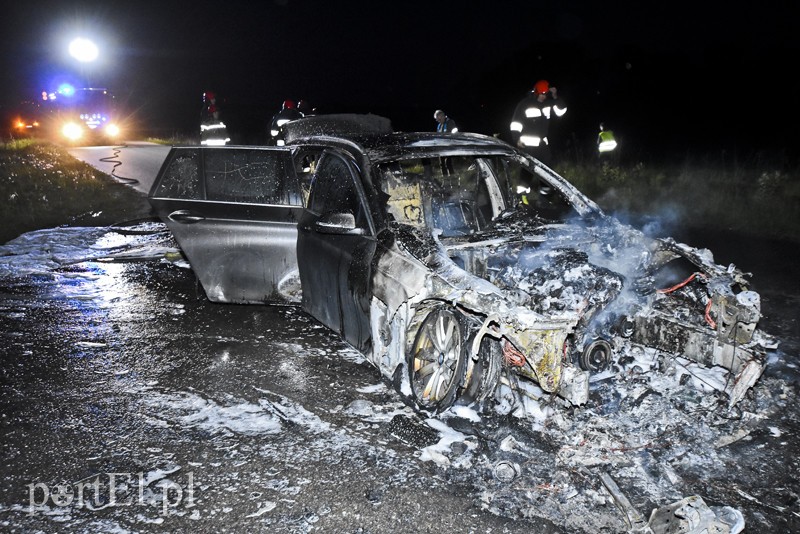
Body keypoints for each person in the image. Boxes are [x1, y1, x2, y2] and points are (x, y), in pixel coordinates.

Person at [509, 80, 567, 164]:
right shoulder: (525, 103)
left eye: (545, 94)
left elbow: (561, 111)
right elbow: (515, 123)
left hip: (543, 145)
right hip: (527, 146)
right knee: (528, 172)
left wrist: (555, 96)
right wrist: (516, 138)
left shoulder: (547, 103)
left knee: (547, 170)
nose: (543, 96)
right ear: (536, 92)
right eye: (542, 93)